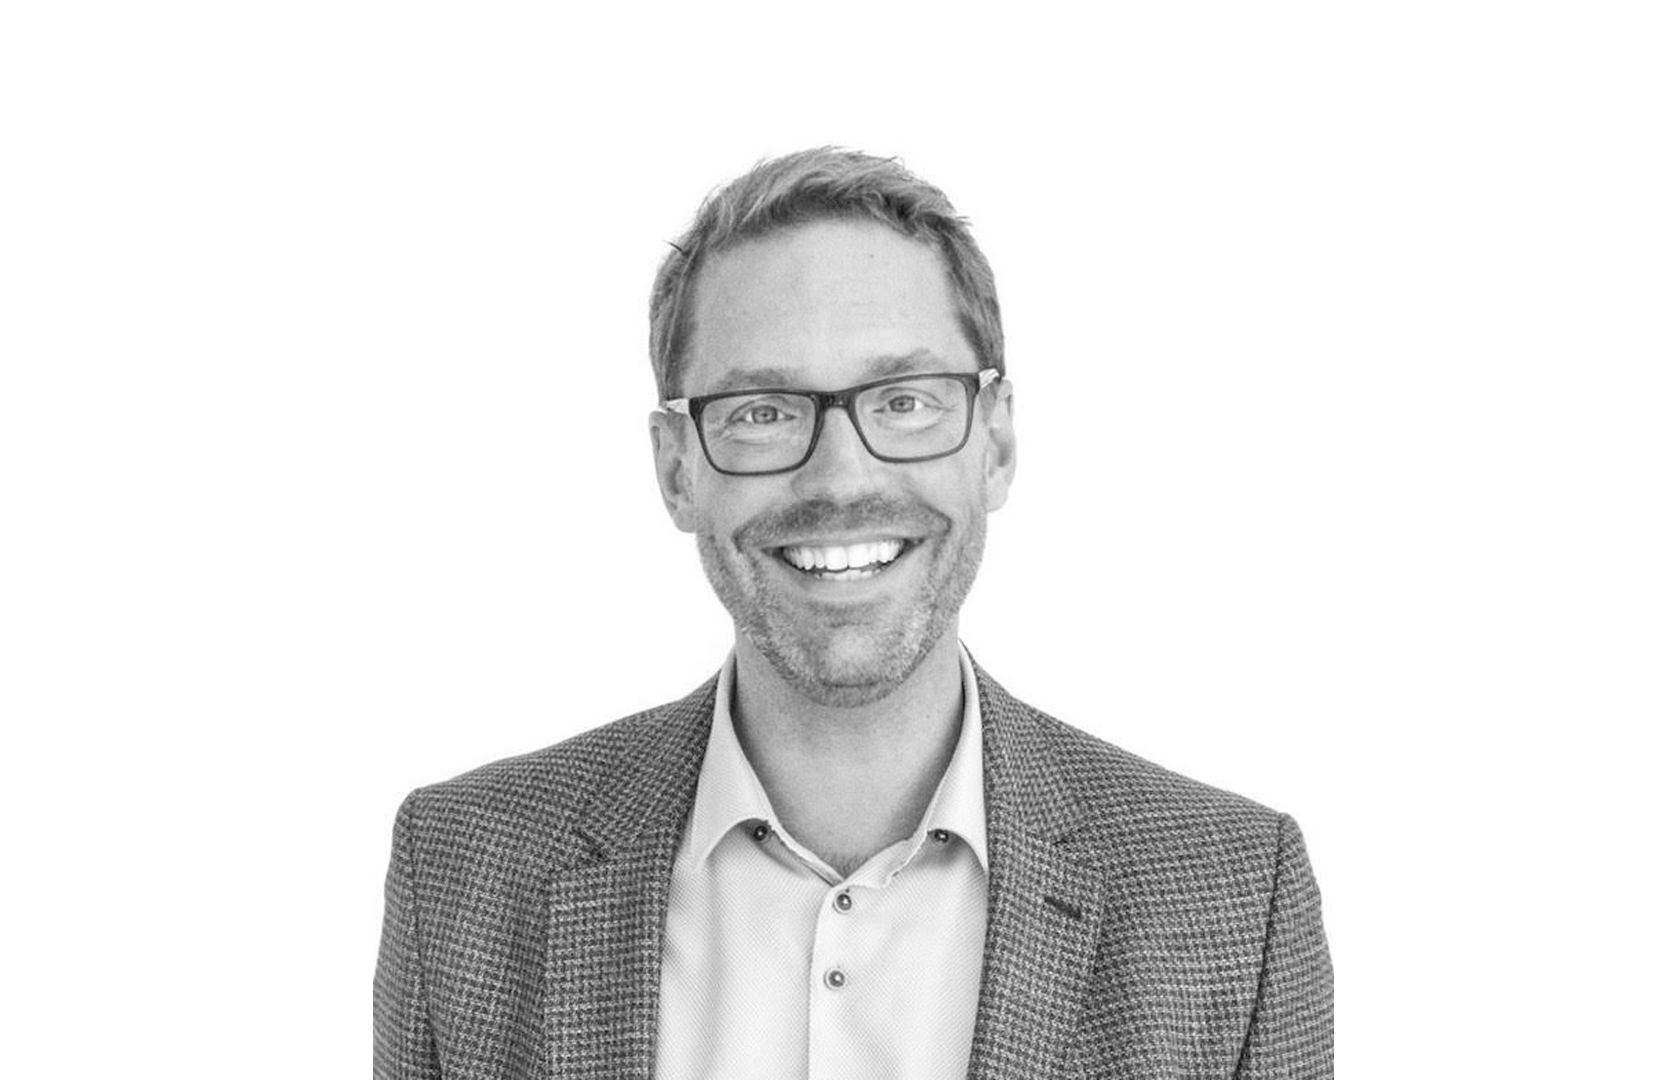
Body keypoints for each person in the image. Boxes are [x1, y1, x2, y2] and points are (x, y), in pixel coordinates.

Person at [374, 147, 1332, 1080]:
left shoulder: (1234, 901)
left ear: (996, 444)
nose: (840, 478)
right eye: (762, 410)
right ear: (676, 470)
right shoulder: (463, 871)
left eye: (904, 401)